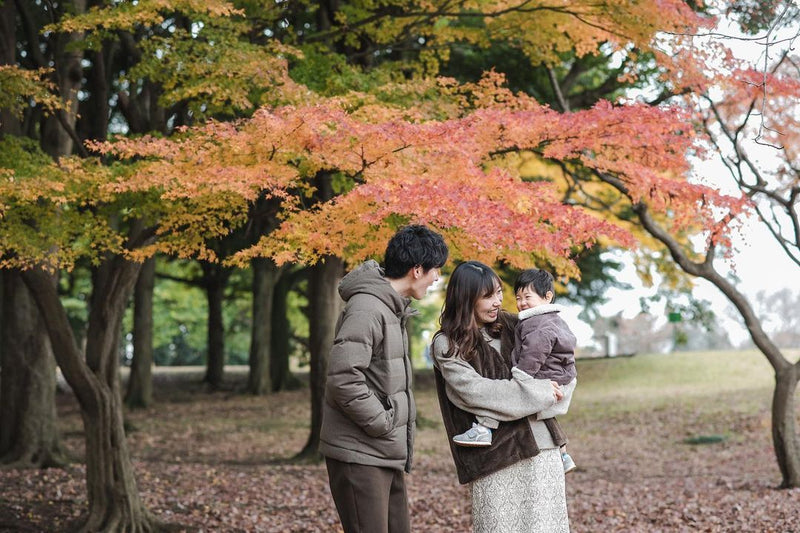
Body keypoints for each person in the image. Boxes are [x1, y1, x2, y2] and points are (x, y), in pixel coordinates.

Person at [319, 224, 448, 533]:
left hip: (383, 453)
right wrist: (383, 422)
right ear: (417, 270)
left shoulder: (391, 310)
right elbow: (343, 379)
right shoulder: (367, 308)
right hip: (361, 452)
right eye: (436, 271)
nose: (438, 279)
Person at [432, 261, 573, 533]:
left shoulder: (516, 323)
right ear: (466, 299)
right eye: (488, 296)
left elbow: (559, 366)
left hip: (542, 447)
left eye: (499, 292)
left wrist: (553, 392)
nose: (498, 302)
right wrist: (541, 393)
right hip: (495, 458)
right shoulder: (447, 343)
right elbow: (475, 393)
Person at [452, 268, 578, 473]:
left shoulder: (536, 323)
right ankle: (563, 452)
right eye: (518, 297)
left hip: (544, 378)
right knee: (512, 395)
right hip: (556, 378)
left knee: (515, 392)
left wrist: (522, 375)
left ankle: (484, 428)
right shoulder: (546, 319)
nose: (520, 303)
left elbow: (535, 352)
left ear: (547, 297)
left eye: (527, 297)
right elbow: (471, 391)